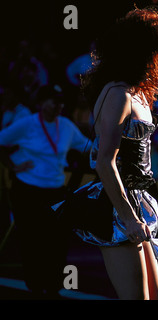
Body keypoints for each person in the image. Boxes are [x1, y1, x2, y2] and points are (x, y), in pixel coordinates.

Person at [75, 5, 158, 300]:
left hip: (136, 202)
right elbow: (104, 162)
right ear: (144, 50)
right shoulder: (117, 94)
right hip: (117, 208)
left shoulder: (136, 92)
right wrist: (128, 217)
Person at [0, 84, 90, 298]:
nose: (58, 105)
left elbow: (87, 147)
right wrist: (12, 166)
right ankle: (35, 286)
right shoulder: (27, 124)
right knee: (31, 239)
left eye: (60, 101)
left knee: (57, 240)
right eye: (52, 101)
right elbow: (1, 141)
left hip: (55, 191)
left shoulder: (66, 126)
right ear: (41, 103)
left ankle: (53, 287)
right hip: (27, 190)